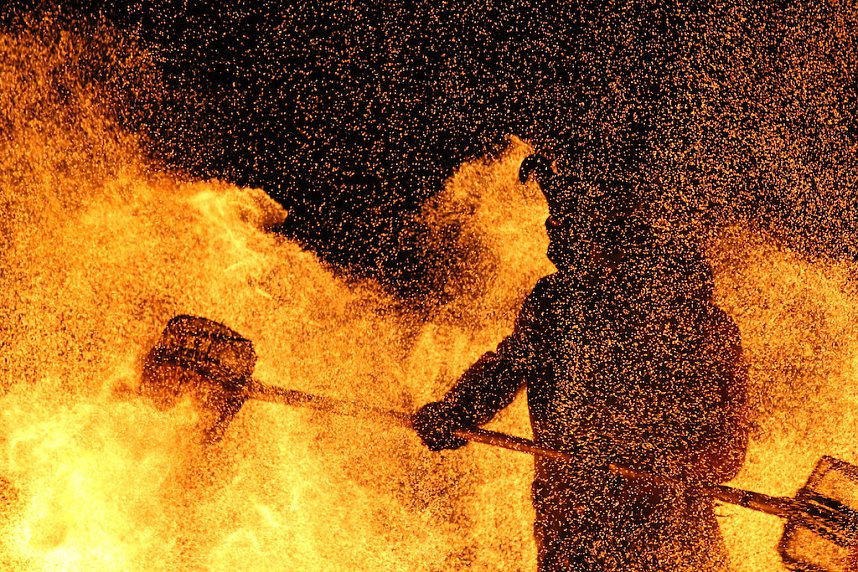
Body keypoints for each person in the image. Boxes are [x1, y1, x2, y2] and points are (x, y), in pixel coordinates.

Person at [413, 155, 749, 571]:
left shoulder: (695, 320)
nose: (550, 231)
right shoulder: (556, 303)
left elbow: (730, 443)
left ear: (609, 229)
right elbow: (507, 367)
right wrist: (455, 412)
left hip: (672, 529)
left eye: (563, 220)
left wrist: (672, 468)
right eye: (553, 218)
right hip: (574, 521)